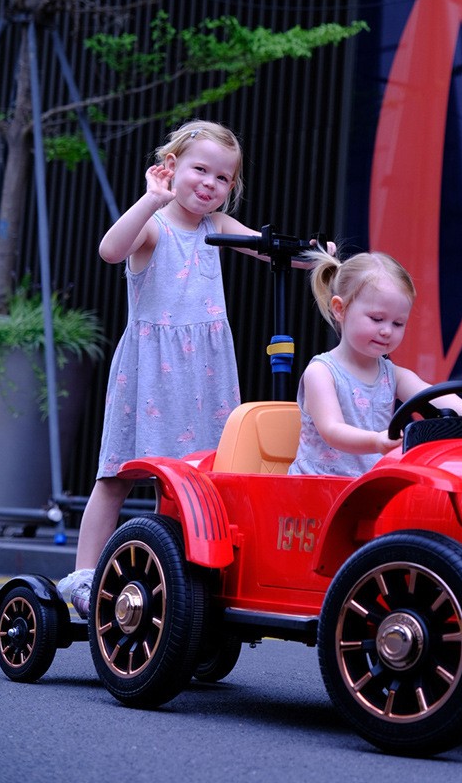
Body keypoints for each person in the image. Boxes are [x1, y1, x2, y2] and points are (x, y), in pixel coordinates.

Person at [57, 119, 328, 618]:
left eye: (223, 178)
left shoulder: (216, 227)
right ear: (170, 167)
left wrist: (314, 256)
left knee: (198, 476)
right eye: (200, 170)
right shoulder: (154, 227)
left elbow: (268, 248)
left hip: (204, 372)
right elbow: (110, 250)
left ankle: (181, 580)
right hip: (153, 370)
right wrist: (151, 199)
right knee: (116, 476)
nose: (210, 184)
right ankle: (85, 578)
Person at [288, 250, 462, 477]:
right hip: (315, 490)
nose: (387, 331)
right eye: (377, 319)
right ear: (340, 309)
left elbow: (429, 393)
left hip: (365, 489)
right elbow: (332, 430)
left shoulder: (391, 375)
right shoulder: (321, 372)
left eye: (398, 323)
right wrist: (376, 440)